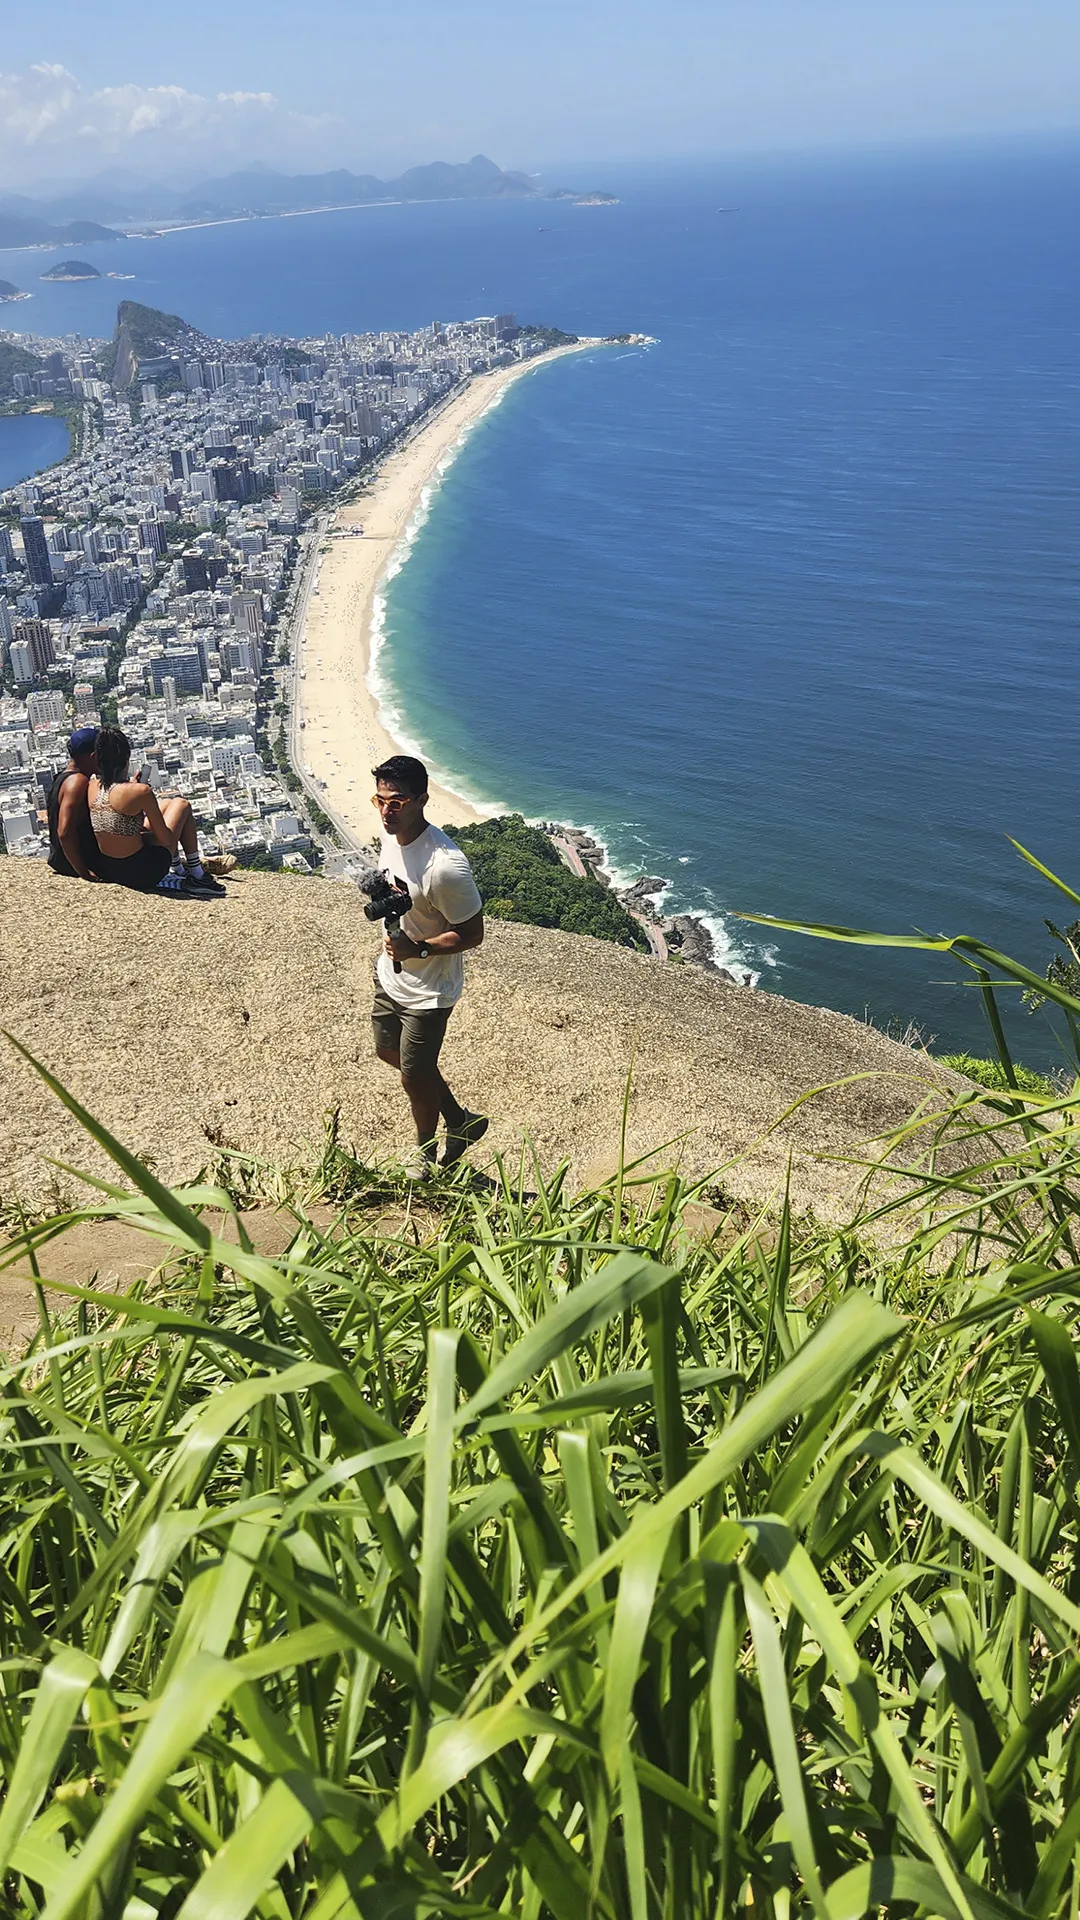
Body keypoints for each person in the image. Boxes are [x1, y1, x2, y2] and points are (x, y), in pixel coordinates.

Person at [370, 754, 487, 1178]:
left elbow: (472, 934)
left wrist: (417, 948)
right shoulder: (391, 834)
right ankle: (461, 1120)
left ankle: (425, 1153)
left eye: (397, 802)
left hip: (429, 990)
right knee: (388, 1052)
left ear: (422, 799)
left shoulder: (447, 867)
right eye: (380, 801)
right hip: (391, 972)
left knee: (413, 1077)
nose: (386, 811)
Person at [86, 725, 225, 896]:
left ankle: (180, 870)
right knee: (181, 804)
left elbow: (117, 814)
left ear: (97, 759)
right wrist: (139, 792)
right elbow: (165, 838)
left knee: (166, 803)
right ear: (127, 757)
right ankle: (197, 874)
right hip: (140, 872)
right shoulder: (139, 792)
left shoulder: (91, 786)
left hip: (107, 867)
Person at [46, 726, 100, 881]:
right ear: (93, 756)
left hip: (62, 859)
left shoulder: (62, 777)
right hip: (74, 863)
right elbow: (65, 832)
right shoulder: (77, 781)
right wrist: (83, 872)